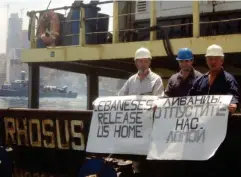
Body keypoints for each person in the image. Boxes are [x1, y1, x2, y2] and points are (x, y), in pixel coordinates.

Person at [188, 44, 240, 113]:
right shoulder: (199, 81)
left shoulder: (229, 80)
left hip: (221, 121)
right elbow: (190, 98)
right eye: (210, 59)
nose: (213, 62)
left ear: (222, 61)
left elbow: (234, 95)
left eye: (216, 59)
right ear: (206, 61)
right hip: (202, 121)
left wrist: (234, 104)